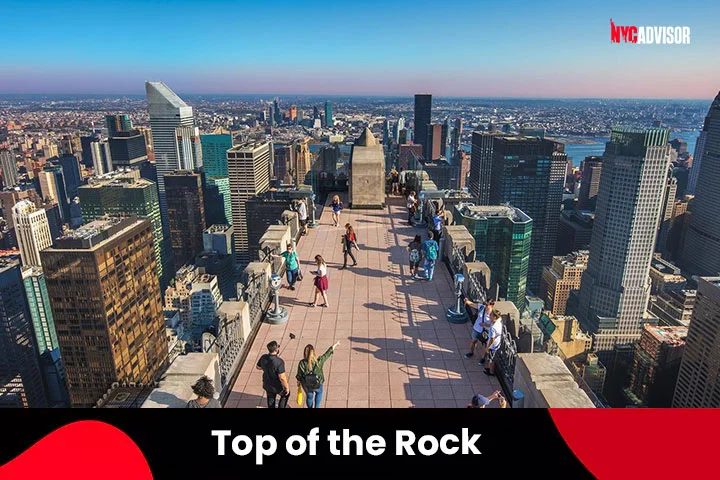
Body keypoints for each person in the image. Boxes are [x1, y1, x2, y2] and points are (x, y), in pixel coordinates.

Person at [296, 341, 340, 408]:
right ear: (313, 352)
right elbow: (327, 354)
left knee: (309, 397)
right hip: (318, 383)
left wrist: (298, 382)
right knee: (319, 394)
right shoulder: (319, 361)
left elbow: (299, 375)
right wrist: (335, 344)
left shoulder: (302, 363)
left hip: (307, 385)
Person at [256, 340, 291, 408]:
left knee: (271, 400)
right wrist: (287, 387)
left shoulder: (263, 357)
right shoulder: (279, 362)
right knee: (285, 395)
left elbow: (258, 367)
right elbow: (282, 377)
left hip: (267, 383)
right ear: (276, 349)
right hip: (277, 385)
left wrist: (266, 369)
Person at [482, 309, 504, 377]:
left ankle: (491, 372)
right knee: (491, 358)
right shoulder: (498, 320)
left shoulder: (494, 327)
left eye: (491, 315)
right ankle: (489, 368)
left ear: (494, 317)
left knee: (491, 359)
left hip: (493, 346)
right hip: (496, 343)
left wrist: (488, 347)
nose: (489, 316)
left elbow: (492, 338)